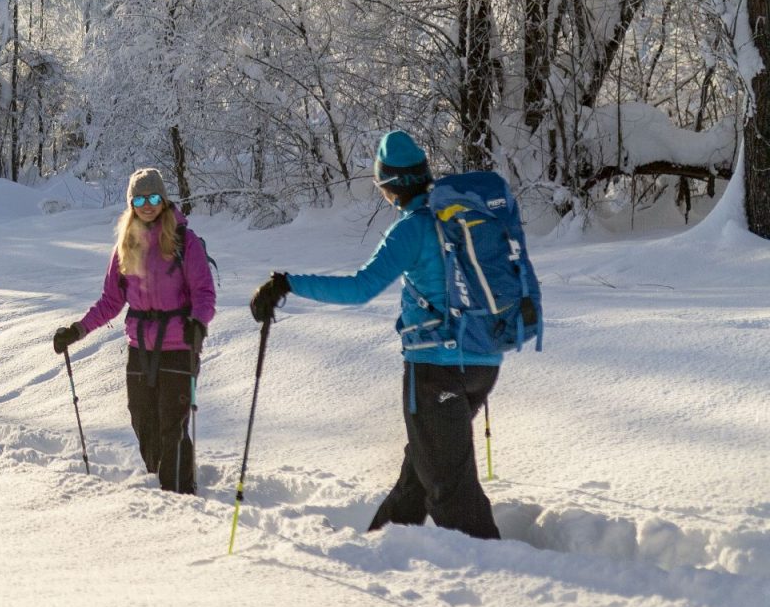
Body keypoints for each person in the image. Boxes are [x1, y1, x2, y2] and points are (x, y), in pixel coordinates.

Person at [248, 130, 501, 540]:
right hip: (482, 361)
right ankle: (378, 543)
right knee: (422, 466)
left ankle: (499, 571)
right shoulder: (458, 217)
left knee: (447, 487)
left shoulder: (412, 230)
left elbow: (360, 288)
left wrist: (287, 283)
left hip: (437, 367)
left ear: (388, 186)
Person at [51, 168, 216, 494]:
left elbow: (204, 293)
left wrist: (198, 324)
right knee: (142, 420)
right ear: (131, 202)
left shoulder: (185, 241)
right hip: (139, 346)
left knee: (173, 424)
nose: (147, 205)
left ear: (164, 199)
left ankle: (181, 495)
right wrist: (78, 330)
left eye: (154, 197)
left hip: (179, 344)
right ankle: (164, 475)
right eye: (139, 198)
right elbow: (111, 300)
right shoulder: (126, 245)